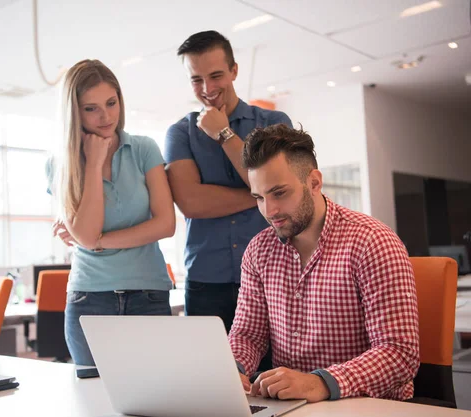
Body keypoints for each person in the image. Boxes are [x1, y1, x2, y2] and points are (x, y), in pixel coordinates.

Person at [229, 124, 420, 402]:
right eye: (259, 197)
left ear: (314, 182)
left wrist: (319, 383)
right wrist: (233, 369)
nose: (269, 211)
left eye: (279, 193)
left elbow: (400, 352)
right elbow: (248, 335)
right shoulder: (259, 250)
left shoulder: (372, 241)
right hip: (290, 406)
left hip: (366, 406)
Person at [164, 30, 293, 334]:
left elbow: (283, 189)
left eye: (216, 75)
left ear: (234, 70)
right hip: (206, 281)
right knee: (208, 377)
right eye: (196, 79)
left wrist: (224, 135)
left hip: (273, 276)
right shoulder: (179, 133)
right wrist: (261, 194)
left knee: (273, 378)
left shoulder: (274, 124)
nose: (207, 88)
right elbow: (191, 203)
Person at [52, 59, 176, 366]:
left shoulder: (144, 149)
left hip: (149, 293)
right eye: (91, 108)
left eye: (111, 102)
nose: (106, 116)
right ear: (74, 112)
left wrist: (98, 241)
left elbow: (165, 224)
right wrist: (93, 163)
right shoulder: (60, 164)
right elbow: (84, 234)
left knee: (157, 398)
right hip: (89, 298)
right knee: (94, 404)